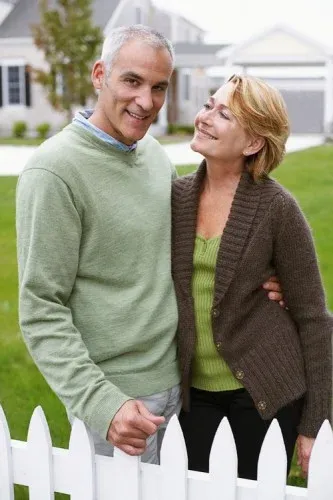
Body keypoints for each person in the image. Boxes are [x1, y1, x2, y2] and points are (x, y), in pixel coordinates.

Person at [16, 25, 282, 464]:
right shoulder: (54, 173)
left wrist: (270, 281)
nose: (147, 102)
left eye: (159, 87)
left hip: (183, 384)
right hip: (118, 401)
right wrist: (104, 405)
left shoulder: (154, 157)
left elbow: (191, 253)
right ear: (100, 74)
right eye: (132, 81)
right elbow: (41, 309)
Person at [172, 74, 332, 480]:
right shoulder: (175, 198)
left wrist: (316, 423)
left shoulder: (278, 209)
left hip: (265, 393)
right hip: (195, 395)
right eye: (209, 105)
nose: (205, 117)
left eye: (224, 114)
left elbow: (314, 319)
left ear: (253, 143)